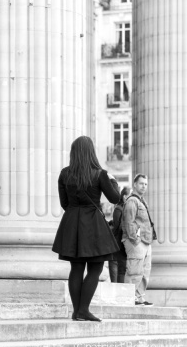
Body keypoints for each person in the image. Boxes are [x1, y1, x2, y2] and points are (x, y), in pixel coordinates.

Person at [52, 136, 120, 322]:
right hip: (93, 224)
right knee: (95, 268)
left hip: (72, 222)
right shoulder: (100, 174)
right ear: (91, 152)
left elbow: (64, 203)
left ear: (74, 153)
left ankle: (77, 311)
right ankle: (83, 310)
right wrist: (113, 181)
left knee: (76, 268)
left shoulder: (65, 174)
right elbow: (115, 198)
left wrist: (76, 212)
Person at [122, 174, 154, 306]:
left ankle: (139, 297)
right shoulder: (132, 201)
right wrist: (135, 240)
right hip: (136, 242)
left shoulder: (142, 201)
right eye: (141, 183)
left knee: (145, 271)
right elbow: (129, 222)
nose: (144, 186)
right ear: (135, 184)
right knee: (134, 271)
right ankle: (129, 298)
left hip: (146, 242)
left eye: (146, 184)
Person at [109, 186, 131, 283]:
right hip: (118, 245)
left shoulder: (128, 209)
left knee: (122, 271)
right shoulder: (119, 209)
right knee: (119, 272)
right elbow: (117, 227)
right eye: (131, 196)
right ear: (125, 197)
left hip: (124, 245)